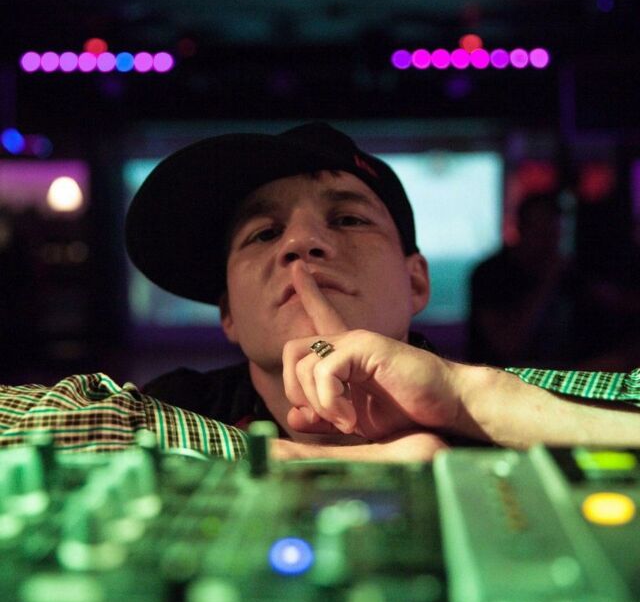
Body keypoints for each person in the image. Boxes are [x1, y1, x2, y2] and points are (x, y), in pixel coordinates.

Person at [1, 123, 639, 461]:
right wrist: (293, 457)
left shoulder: (503, 404)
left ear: (416, 280)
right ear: (227, 312)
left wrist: (476, 400)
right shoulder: (181, 408)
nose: (301, 244)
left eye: (349, 219)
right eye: (263, 233)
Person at [468, 192, 580, 368]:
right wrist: (547, 282)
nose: (550, 243)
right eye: (541, 233)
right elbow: (506, 345)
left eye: (556, 234)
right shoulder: (490, 274)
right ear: (521, 229)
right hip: (499, 377)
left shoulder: (570, 274)